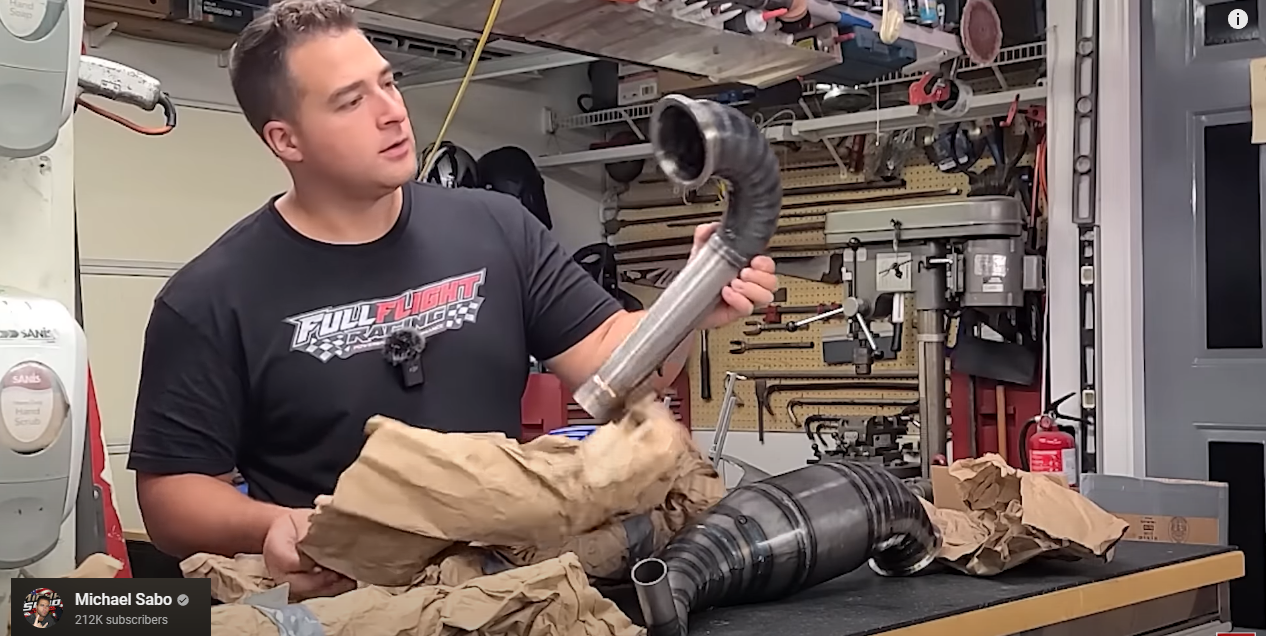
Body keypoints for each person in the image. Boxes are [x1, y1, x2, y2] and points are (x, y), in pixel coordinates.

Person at [126, 0, 778, 602]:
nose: (390, 111)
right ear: (286, 140)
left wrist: (690, 305)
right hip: (349, 597)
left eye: (387, 82)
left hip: (502, 590)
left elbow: (614, 370)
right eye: (350, 101)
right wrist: (275, 525)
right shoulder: (210, 296)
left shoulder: (497, 226)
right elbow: (171, 501)